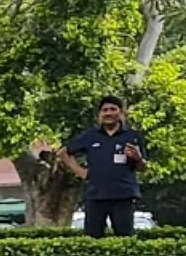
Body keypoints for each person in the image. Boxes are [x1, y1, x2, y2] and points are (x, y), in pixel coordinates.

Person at [60, 96, 149, 237]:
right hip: (96, 195)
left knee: (125, 238)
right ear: (99, 114)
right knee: (92, 239)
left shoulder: (132, 136)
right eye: (105, 110)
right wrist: (81, 172)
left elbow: (143, 168)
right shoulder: (91, 136)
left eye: (113, 109)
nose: (108, 113)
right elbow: (64, 152)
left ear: (121, 113)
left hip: (123, 195)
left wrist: (137, 157)